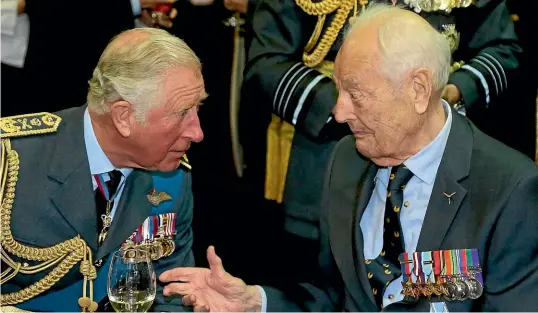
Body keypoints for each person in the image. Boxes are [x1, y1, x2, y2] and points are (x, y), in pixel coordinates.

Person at [158, 4, 538, 312]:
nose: (338, 113)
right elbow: (334, 298)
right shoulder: (346, 160)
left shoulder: (510, 191)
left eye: (355, 94)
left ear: (419, 90)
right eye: (339, 91)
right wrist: (256, 302)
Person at [238, 0, 523, 284]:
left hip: (439, 161)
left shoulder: (515, 191)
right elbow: (267, 61)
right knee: (326, 282)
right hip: (326, 159)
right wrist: (353, 107)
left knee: (436, 289)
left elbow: (501, 47)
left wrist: (454, 91)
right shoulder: (342, 120)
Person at [0, 28, 205, 312]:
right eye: (182, 113)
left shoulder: (173, 178)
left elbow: (169, 296)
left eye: (198, 108)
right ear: (123, 117)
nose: (197, 133)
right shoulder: (11, 161)